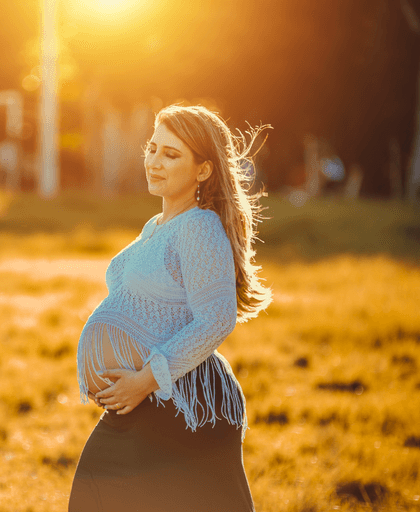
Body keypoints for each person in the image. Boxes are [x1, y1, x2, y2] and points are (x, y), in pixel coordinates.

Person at [68, 104, 272, 512]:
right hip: (149, 402)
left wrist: (144, 381)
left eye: (171, 154)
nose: (154, 162)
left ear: (203, 170)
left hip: (178, 402)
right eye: (152, 149)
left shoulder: (199, 227)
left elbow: (216, 320)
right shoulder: (156, 226)